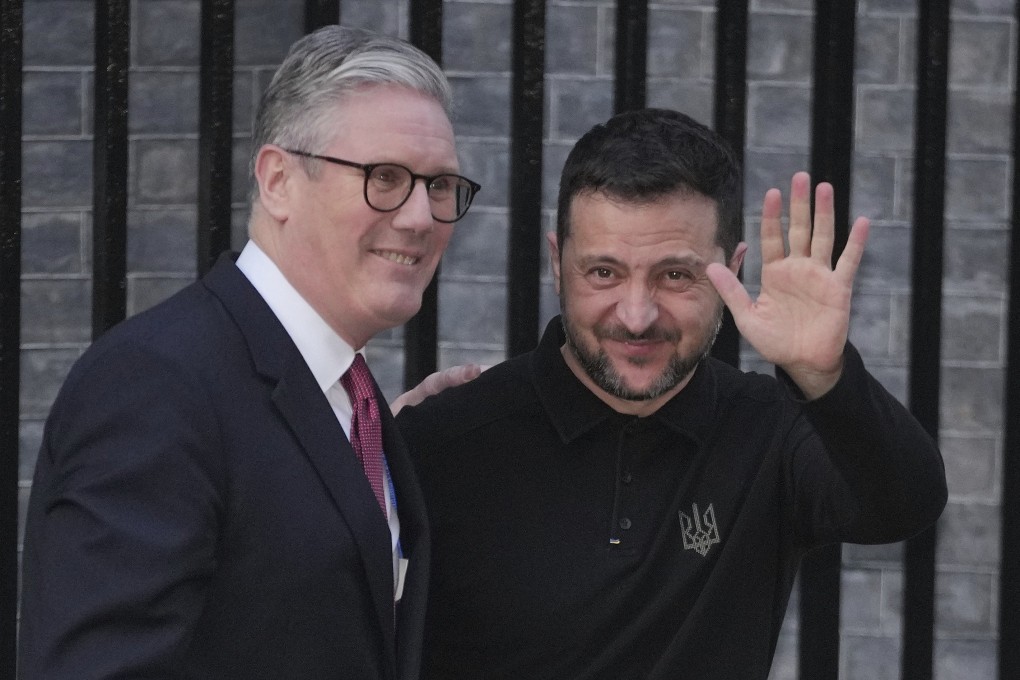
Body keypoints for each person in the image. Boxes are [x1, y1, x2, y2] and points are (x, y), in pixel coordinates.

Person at [395, 108, 947, 679]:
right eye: (604, 273)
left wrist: (824, 375)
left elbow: (904, 505)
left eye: (675, 276)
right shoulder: (444, 440)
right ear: (557, 264)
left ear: (731, 270)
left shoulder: (770, 431)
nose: (637, 316)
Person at [18, 25, 480, 680]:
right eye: (385, 177)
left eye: (440, 186)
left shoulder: (350, 399)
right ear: (278, 180)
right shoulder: (156, 384)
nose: (420, 217)